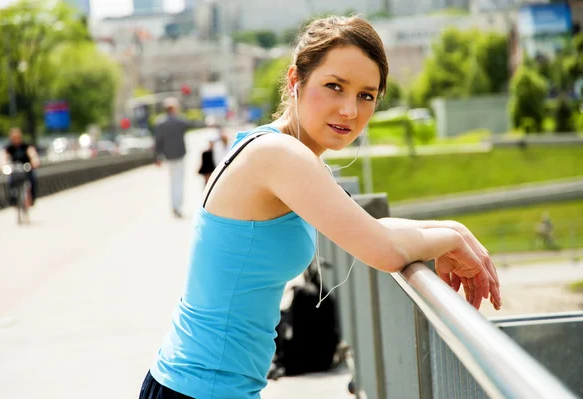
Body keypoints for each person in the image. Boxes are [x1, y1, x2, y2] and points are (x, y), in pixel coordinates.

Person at [139, 15, 502, 399]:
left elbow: (366, 227)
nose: (350, 110)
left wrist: (452, 231)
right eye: (334, 87)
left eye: (366, 95)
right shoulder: (279, 155)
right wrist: (447, 239)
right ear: (296, 81)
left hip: (199, 384)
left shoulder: (281, 151)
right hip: (200, 389)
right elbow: (383, 249)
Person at [154, 97, 196, 218]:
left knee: (173, 182)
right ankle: (178, 206)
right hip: (180, 155)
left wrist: (156, 157)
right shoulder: (179, 121)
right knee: (179, 182)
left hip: (169, 156)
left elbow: (157, 142)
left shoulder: (160, 123)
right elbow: (190, 123)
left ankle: (174, 205)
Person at [0, 127, 40, 206]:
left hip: (26, 169)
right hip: (15, 170)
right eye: (13, 138)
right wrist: (2, 166)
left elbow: (33, 155)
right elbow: (3, 157)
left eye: (17, 137)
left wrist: (35, 162)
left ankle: (32, 198)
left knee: (32, 180)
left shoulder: (26, 146)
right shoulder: (8, 148)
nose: (16, 139)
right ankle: (13, 200)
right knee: (10, 182)